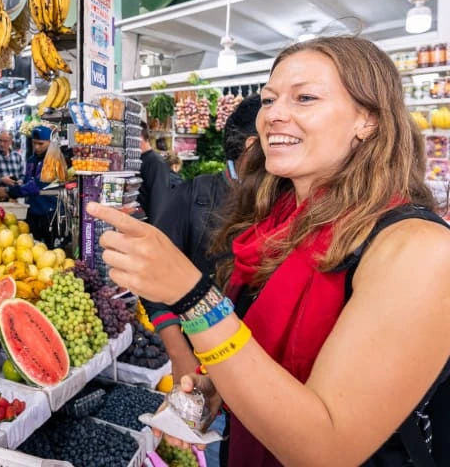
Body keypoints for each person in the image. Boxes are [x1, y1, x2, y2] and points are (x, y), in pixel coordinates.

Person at [89, 37, 450, 466]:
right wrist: (221, 385)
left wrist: (192, 295)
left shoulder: (420, 249)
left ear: (368, 120)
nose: (274, 114)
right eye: (269, 99)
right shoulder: (277, 225)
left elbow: (326, 451)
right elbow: (267, 361)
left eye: (305, 98)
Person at [145, 94, 261, 467]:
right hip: (202, 372)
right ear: (252, 147)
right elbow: (153, 275)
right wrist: (179, 353)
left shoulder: (288, 202)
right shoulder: (194, 195)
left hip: (263, 376)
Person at [0, 126, 58, 245]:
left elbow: (35, 185)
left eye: (41, 144)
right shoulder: (31, 160)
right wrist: (18, 184)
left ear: (50, 142)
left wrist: (8, 191)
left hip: (48, 212)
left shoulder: (53, 162)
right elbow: (28, 182)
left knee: (49, 247)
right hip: (32, 210)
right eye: (34, 143)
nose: (36, 147)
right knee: (32, 245)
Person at [138, 122, 170, 222]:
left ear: (139, 137)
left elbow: (158, 200)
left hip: (146, 224)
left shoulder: (156, 162)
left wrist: (153, 227)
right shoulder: (138, 159)